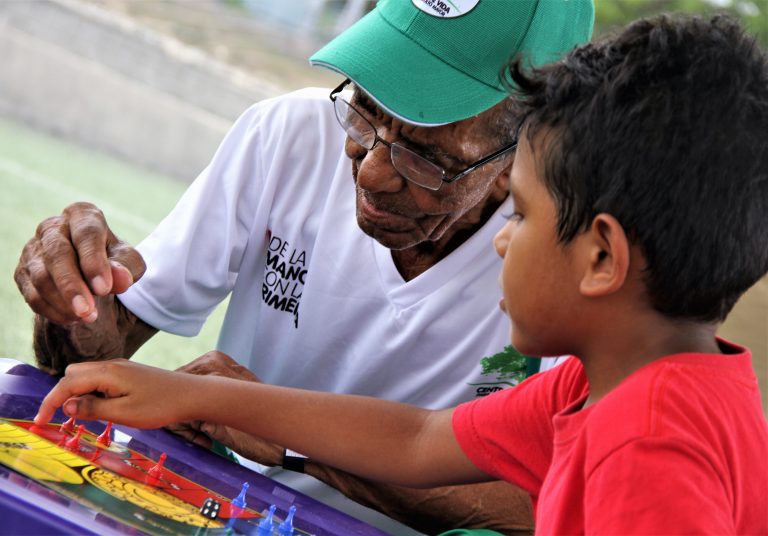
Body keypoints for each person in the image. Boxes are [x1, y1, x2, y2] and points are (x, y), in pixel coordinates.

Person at [35, 13, 768, 534]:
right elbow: (420, 440)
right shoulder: (596, 386)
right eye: (364, 113)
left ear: (601, 256)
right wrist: (186, 391)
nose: (376, 170)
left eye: (518, 212)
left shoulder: (650, 453)